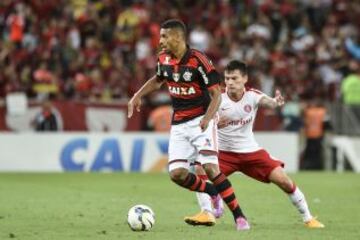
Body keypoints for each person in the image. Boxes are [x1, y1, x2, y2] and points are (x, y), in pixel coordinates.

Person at [127, 19, 249, 230]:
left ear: (177, 37)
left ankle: (240, 217)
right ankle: (213, 192)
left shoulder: (198, 60)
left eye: (164, 36)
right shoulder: (163, 58)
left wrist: (207, 119)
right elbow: (158, 80)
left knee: (211, 168)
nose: (161, 40)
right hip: (179, 124)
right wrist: (137, 95)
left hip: (202, 120)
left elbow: (216, 95)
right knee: (177, 174)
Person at [184, 60, 324, 229]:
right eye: (227, 78)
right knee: (200, 168)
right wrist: (213, 123)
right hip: (223, 153)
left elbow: (267, 101)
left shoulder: (252, 95)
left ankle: (308, 218)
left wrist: (275, 101)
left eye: (234, 78)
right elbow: (201, 122)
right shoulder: (217, 98)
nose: (229, 82)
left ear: (245, 79)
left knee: (284, 181)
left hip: (250, 152)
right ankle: (207, 213)